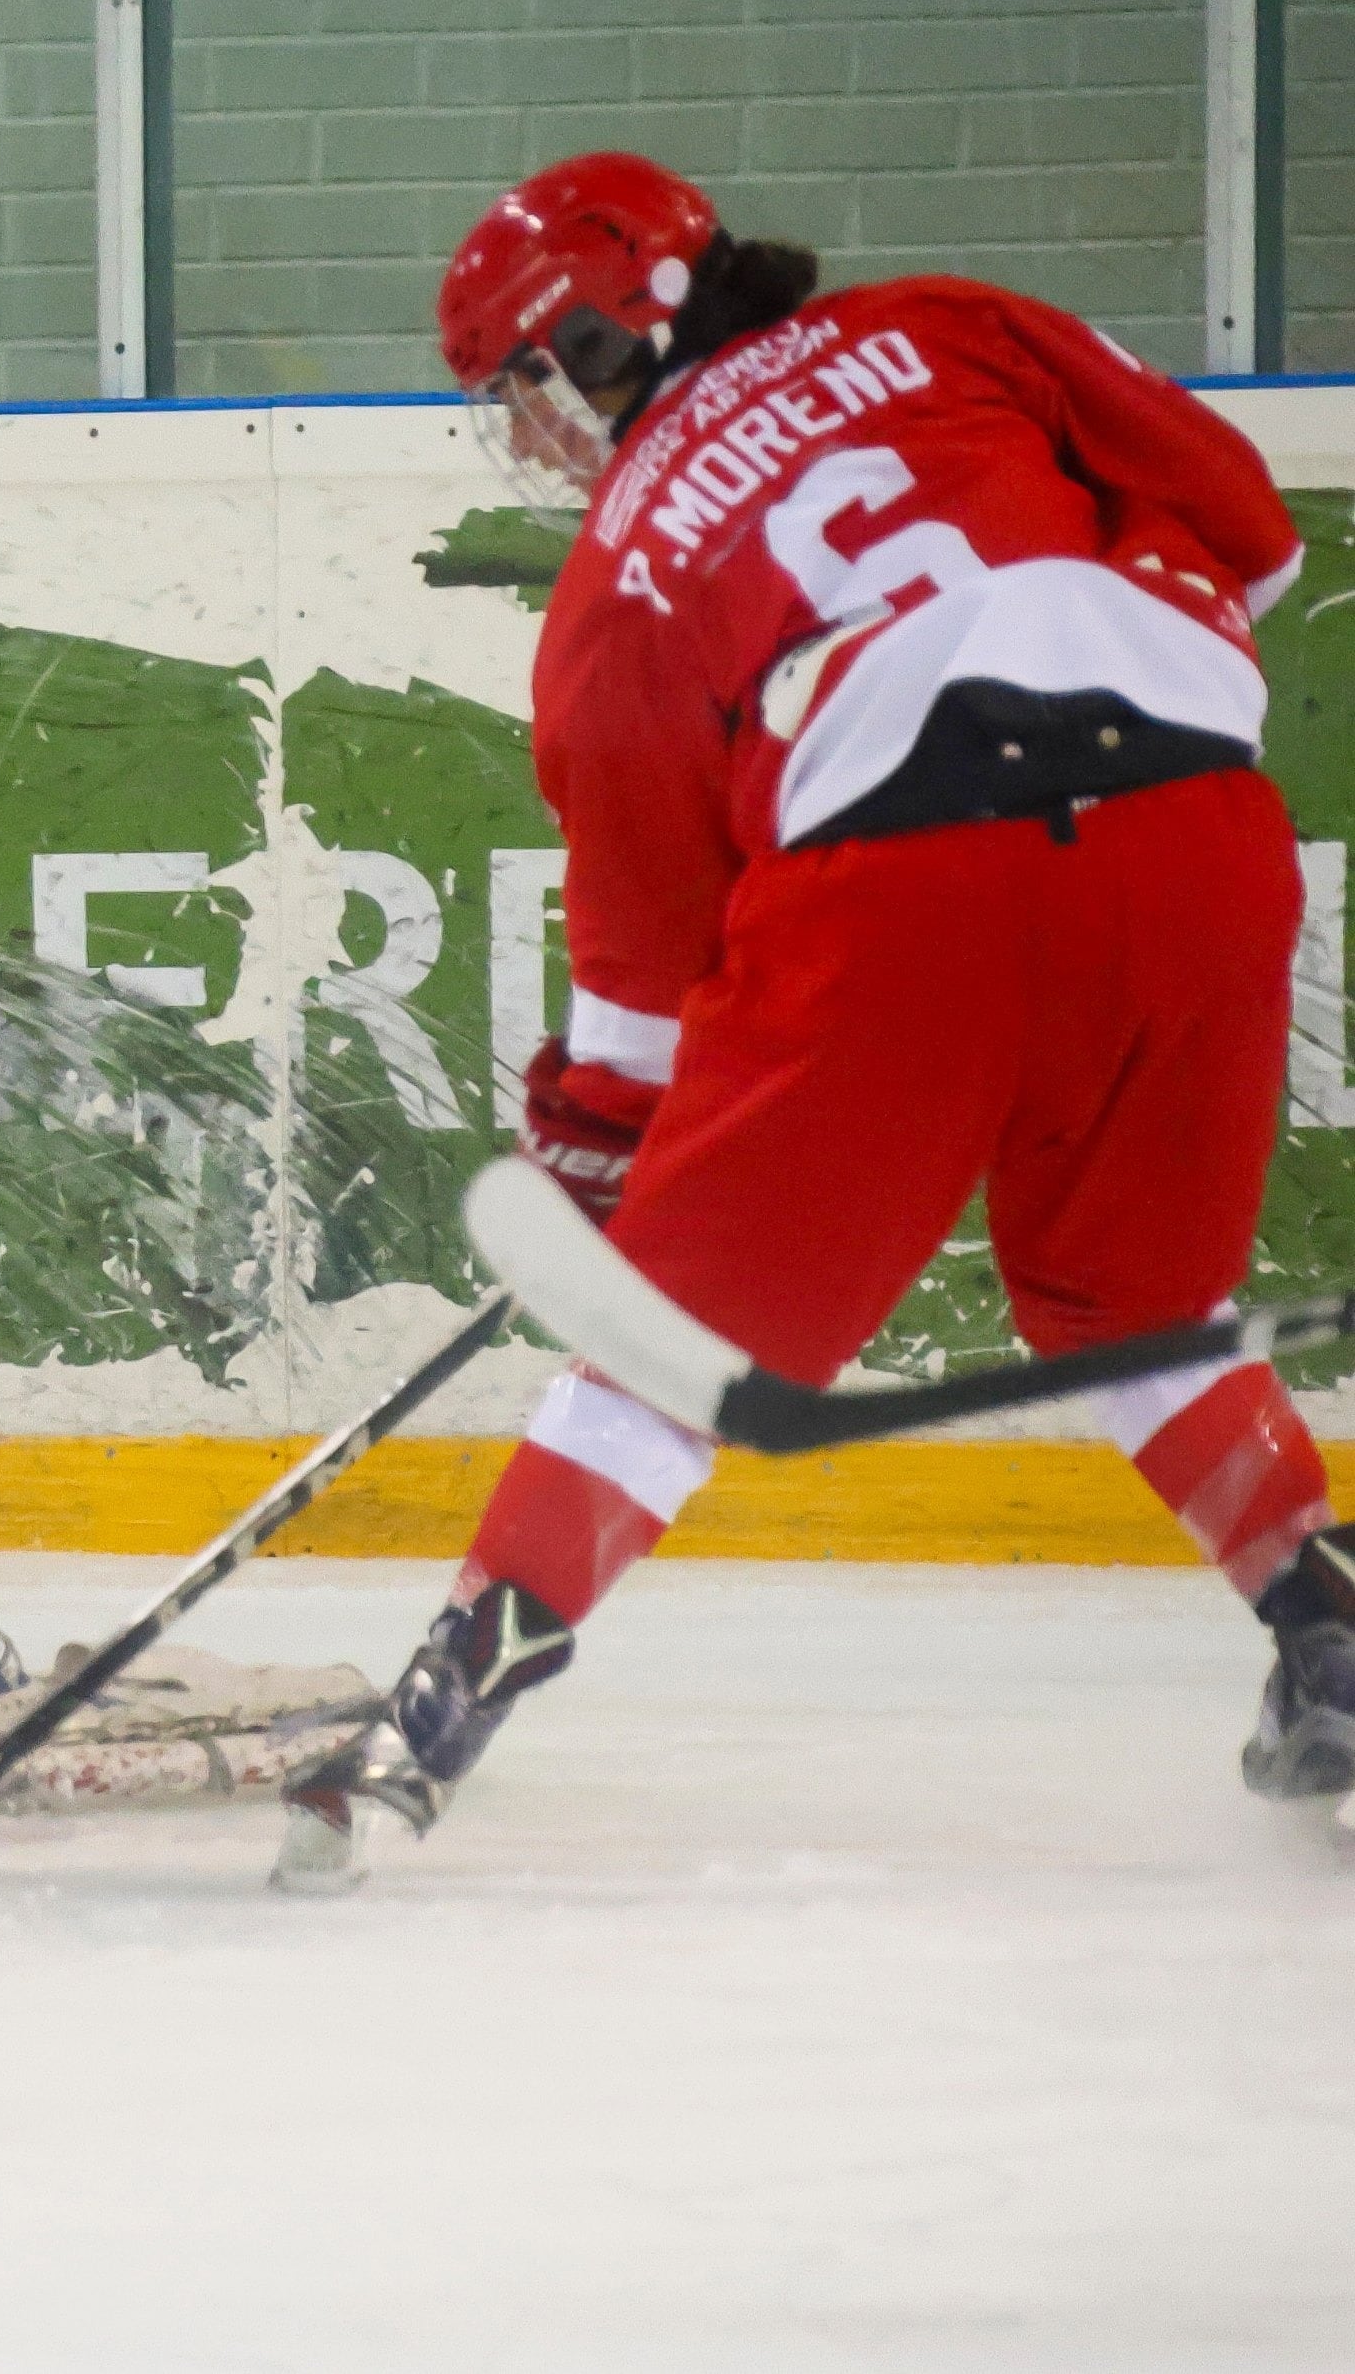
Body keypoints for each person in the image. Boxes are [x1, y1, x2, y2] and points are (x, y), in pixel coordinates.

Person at [281, 152, 1345, 1885]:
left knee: (662, 1347)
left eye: (527, 386)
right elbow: (1253, 527)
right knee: (1135, 1301)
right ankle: (1321, 1626)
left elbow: (641, 987)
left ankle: (436, 1707)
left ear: (611, 325)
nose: (531, 440)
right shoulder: (946, 323)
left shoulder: (617, 586)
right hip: (1201, 843)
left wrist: (589, 1167)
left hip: (905, 879)